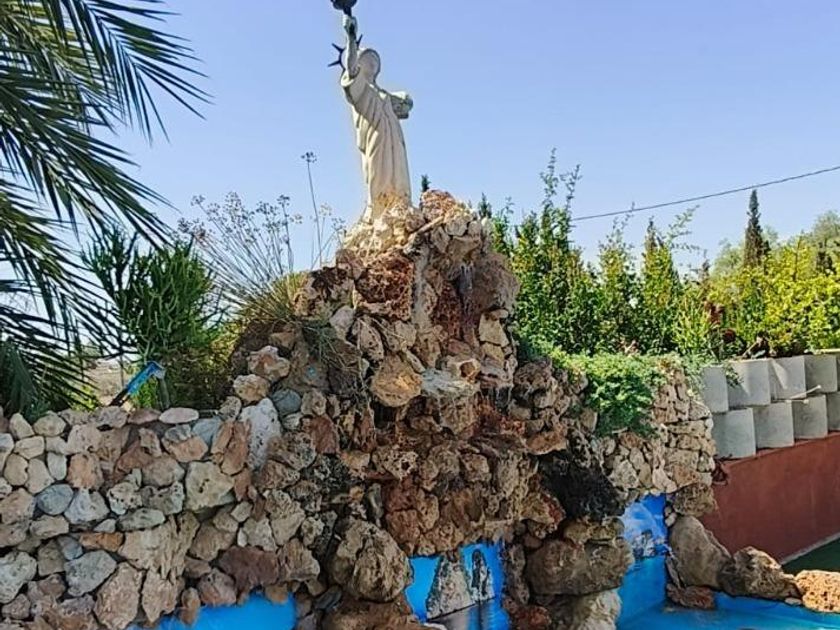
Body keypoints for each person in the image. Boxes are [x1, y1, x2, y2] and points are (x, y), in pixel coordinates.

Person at [341, 15, 413, 221]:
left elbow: (405, 106)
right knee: (379, 172)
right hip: (375, 136)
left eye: (375, 60)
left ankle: (401, 208)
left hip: (393, 138)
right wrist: (351, 38)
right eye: (368, 58)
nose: (372, 61)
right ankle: (378, 212)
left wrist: (405, 100)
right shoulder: (361, 89)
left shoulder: (383, 93)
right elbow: (351, 69)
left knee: (397, 171)